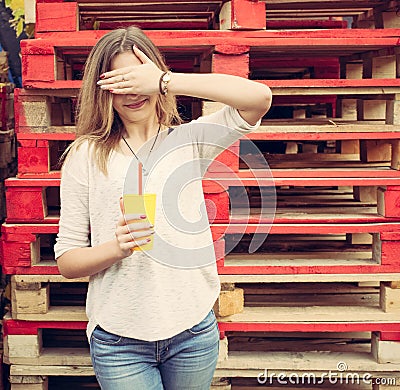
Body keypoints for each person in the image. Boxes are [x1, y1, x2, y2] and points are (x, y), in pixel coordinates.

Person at [55, 26, 272, 390]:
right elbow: (66, 261)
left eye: (138, 79)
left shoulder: (190, 140)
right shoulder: (85, 156)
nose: (133, 92)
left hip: (192, 332)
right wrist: (116, 248)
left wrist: (165, 80)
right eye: (119, 82)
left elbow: (259, 98)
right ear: (101, 89)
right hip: (119, 341)